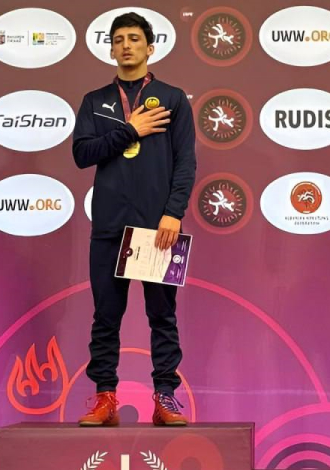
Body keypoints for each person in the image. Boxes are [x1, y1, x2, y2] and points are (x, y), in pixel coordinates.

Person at [72, 12, 196, 426]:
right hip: (109, 226)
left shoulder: (172, 99)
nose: (126, 45)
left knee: (163, 316)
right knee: (105, 317)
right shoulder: (95, 101)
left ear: (150, 48)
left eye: (134, 39)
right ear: (111, 49)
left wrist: (173, 214)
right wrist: (130, 130)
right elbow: (82, 154)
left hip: (158, 229)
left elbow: (185, 163)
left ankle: (166, 397)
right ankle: (104, 397)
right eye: (119, 39)